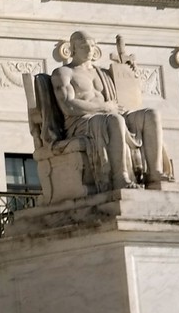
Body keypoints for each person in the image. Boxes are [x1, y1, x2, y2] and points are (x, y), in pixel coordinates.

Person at [51, 30, 170, 192]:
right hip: (81, 121)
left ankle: (155, 174)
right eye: (84, 45)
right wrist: (103, 108)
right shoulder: (64, 73)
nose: (90, 49)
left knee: (151, 115)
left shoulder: (103, 73)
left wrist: (130, 73)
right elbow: (68, 106)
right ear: (73, 48)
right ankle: (119, 177)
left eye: (93, 45)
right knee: (115, 120)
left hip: (111, 113)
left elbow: (127, 94)